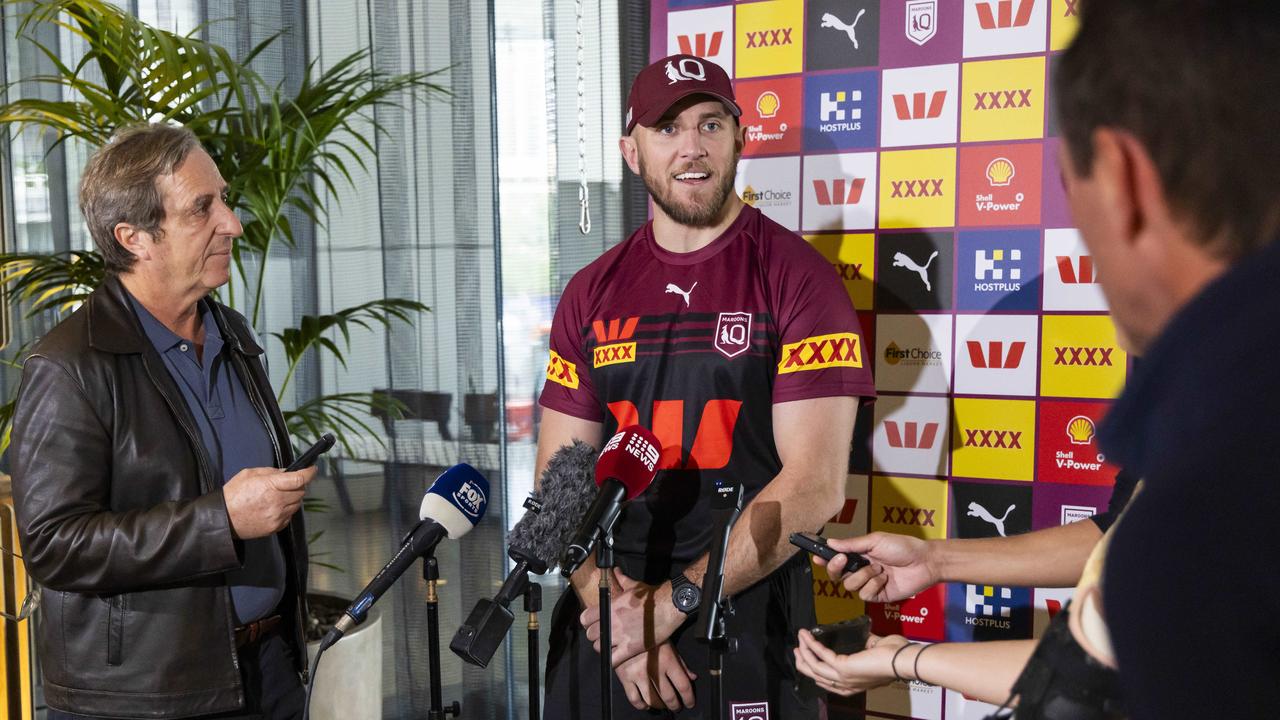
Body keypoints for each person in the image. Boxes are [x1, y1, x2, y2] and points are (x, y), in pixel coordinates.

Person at [793, 1, 1280, 717]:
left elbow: (1108, 676)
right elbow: (1117, 546)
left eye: (1068, 191)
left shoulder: (1221, 475)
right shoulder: (1203, 410)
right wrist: (935, 565)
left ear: (1122, 179)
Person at [537, 54, 875, 718]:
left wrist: (669, 607)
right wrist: (616, 611)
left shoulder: (798, 278)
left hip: (745, 614)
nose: (691, 147)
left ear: (740, 137)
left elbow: (814, 484)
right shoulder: (589, 292)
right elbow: (559, 482)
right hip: (607, 620)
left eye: (710, 124)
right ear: (631, 152)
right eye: (667, 129)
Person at [10, 123, 316, 720]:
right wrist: (220, 520)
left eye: (223, 199)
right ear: (135, 238)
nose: (232, 222)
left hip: (268, 673)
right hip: (147, 697)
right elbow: (52, 544)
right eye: (203, 208)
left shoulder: (232, 331)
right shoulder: (68, 365)